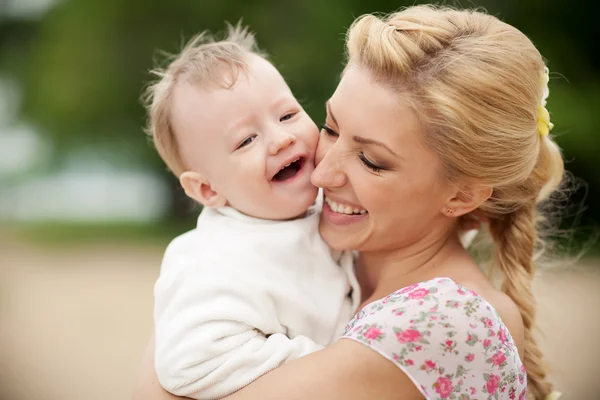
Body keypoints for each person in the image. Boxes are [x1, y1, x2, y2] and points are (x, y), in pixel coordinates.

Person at [134, 5, 565, 400]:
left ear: (462, 195)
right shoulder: (315, 252)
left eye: (372, 161)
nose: (320, 174)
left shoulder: (451, 322)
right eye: (331, 128)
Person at [143, 24, 360, 399]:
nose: (281, 139)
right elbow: (187, 363)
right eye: (246, 140)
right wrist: (326, 360)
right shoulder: (214, 261)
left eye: (288, 115)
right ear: (208, 189)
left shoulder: (328, 202)